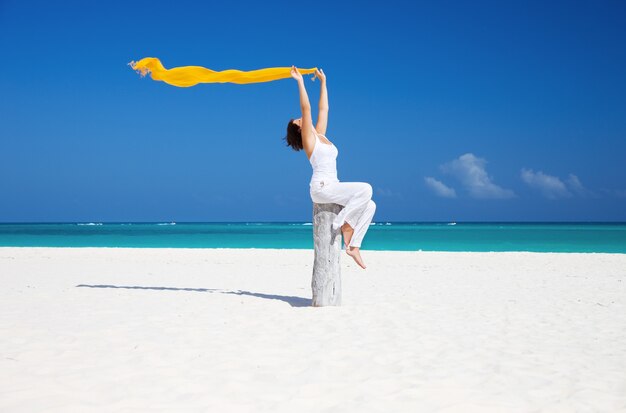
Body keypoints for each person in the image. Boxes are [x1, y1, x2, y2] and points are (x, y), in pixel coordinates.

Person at [284, 66, 376, 269]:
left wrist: (323, 81)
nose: (302, 119)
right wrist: (300, 81)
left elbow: (323, 109)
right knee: (366, 189)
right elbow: (306, 108)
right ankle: (340, 224)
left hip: (333, 186)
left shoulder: (320, 135)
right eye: (299, 121)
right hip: (321, 188)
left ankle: (353, 246)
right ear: (299, 129)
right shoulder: (309, 141)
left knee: (370, 205)